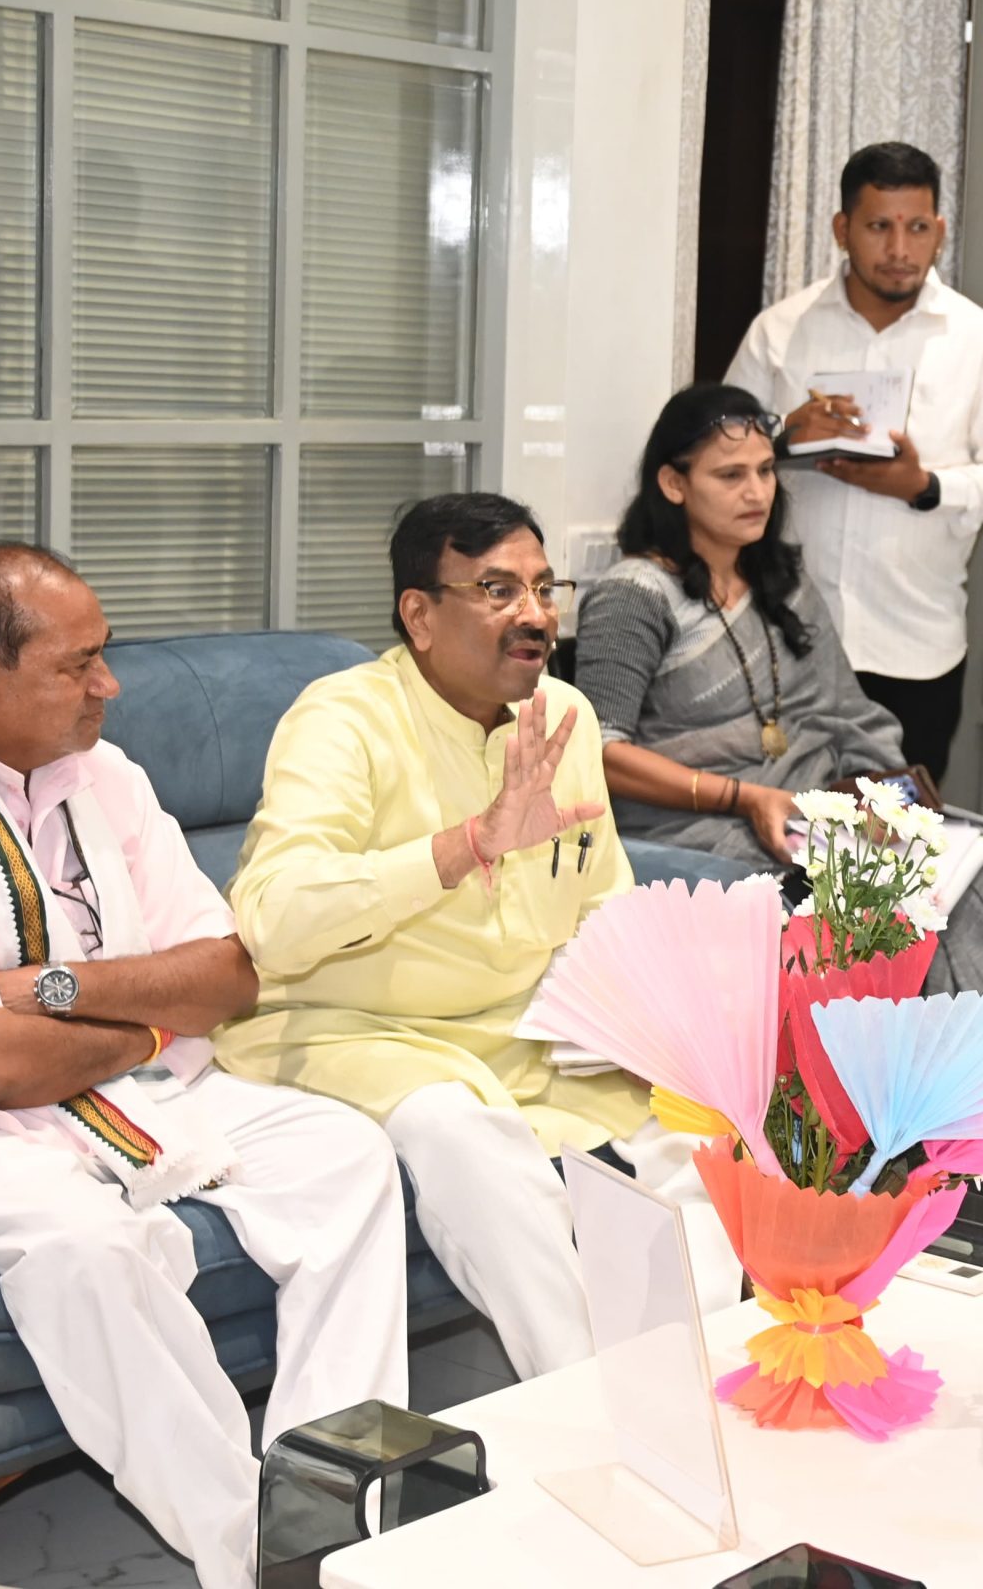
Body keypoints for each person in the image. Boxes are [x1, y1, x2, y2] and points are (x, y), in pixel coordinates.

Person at [0, 546, 408, 1589]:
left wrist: (49, 988)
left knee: (346, 1155)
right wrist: (146, 1022)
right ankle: (252, 1550)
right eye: (78, 663)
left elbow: (227, 975)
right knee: (85, 1248)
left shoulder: (104, 774)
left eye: (104, 654)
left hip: (150, 1084)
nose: (109, 685)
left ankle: (330, 1502)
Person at [571, 384, 983, 1236]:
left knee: (974, 866)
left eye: (765, 471)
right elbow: (598, 751)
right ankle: (894, 1173)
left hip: (806, 810)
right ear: (673, 484)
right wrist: (744, 795)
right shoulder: (633, 594)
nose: (756, 491)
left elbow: (849, 715)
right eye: (729, 475)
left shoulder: (781, 582)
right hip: (697, 827)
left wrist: (891, 803)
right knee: (873, 912)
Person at [213, 493, 741, 1381]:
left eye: (544, 588)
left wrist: (648, 1024)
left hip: (527, 1029)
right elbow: (274, 913)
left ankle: (688, 1383)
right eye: (498, 590)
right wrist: (465, 846)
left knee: (698, 1118)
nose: (535, 615)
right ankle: (582, 1399)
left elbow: (603, 904)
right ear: (419, 614)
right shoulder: (342, 719)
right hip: (364, 1033)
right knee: (464, 1136)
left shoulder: (563, 714)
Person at [725, 140, 983, 783]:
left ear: (940, 233)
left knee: (894, 839)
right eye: (878, 227)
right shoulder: (781, 331)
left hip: (916, 651)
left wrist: (924, 486)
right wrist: (782, 437)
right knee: (782, 829)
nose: (900, 249)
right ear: (842, 229)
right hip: (785, 641)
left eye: (918, 228)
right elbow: (716, 455)